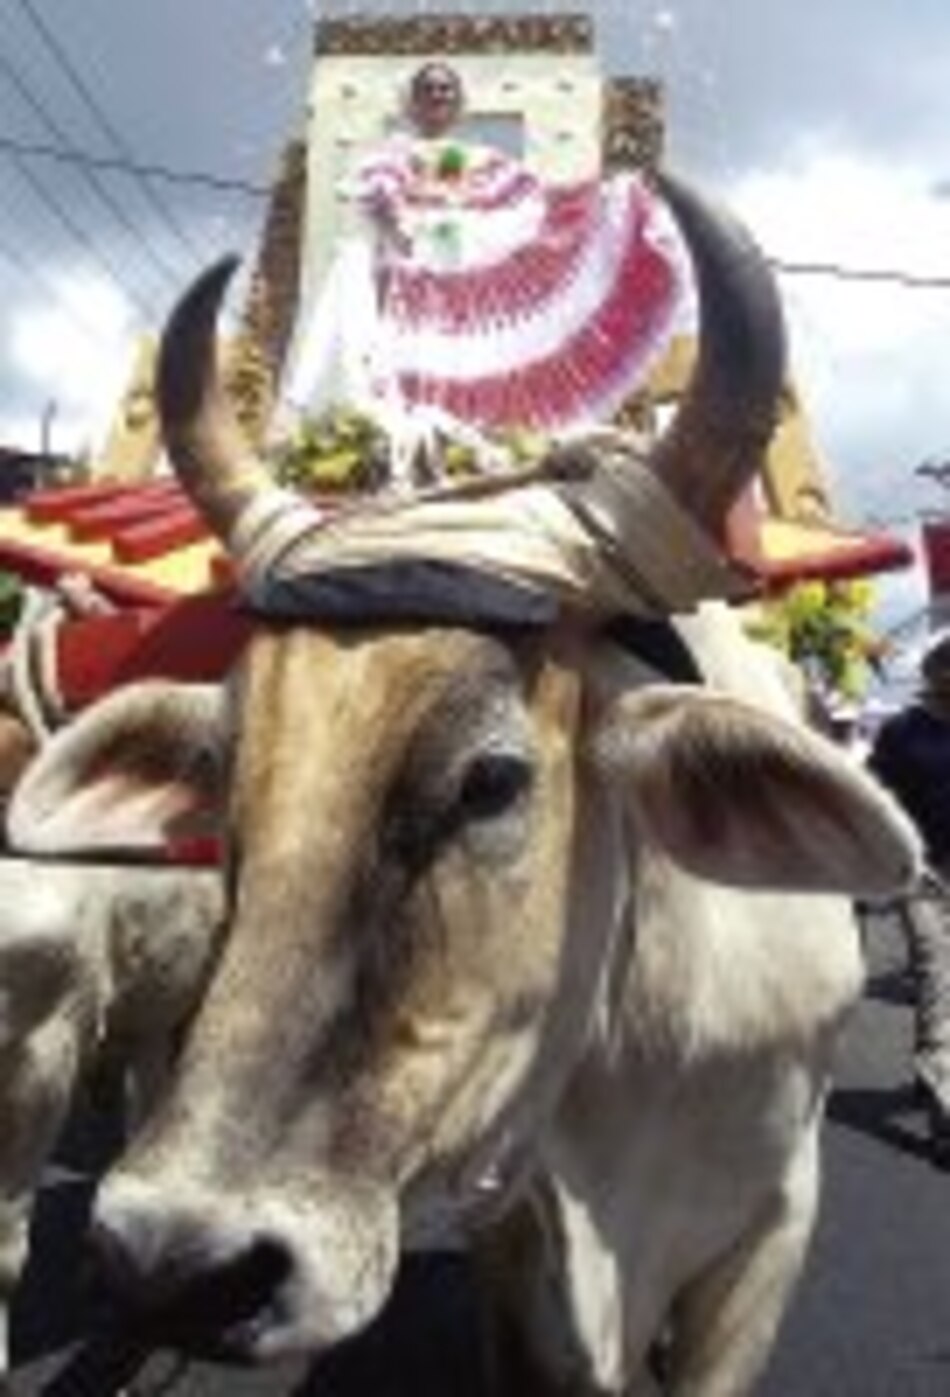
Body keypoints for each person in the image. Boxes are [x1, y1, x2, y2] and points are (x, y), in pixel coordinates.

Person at [282, 60, 684, 463]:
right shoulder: (394, 155)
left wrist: (603, 202)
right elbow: (381, 205)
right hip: (410, 290)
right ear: (412, 105)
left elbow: (536, 206)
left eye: (446, 90)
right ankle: (412, 455)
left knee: (468, 376)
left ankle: (469, 454)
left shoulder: (481, 161)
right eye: (428, 89)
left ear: (459, 106)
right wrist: (406, 232)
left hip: (465, 299)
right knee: (407, 375)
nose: (438, 96)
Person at [868, 631, 950, 1163]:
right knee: (938, 977)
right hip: (922, 878)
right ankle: (945, 1108)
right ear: (935, 675)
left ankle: (935, 1072)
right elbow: (878, 802)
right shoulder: (903, 733)